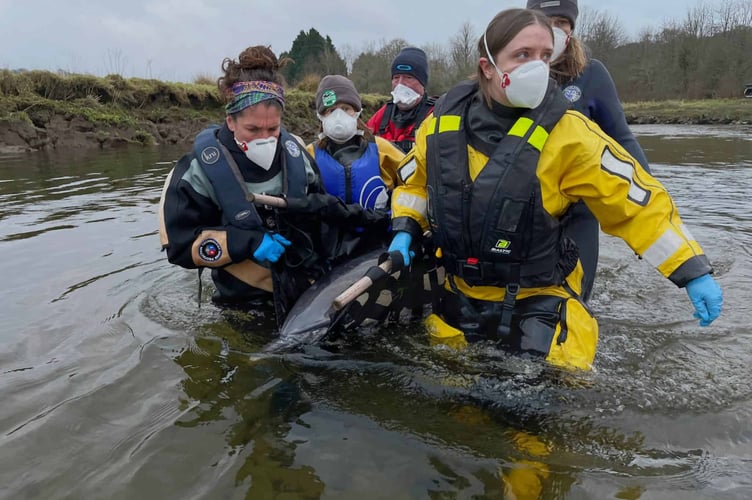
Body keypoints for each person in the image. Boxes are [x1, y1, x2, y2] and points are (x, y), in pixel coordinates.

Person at [387, 8, 723, 371]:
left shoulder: (570, 134)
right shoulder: (438, 126)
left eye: (545, 56)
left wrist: (692, 271)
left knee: (536, 418)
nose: (539, 67)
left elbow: (635, 202)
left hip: (537, 300)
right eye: (523, 55)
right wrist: (404, 228)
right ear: (488, 67)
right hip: (459, 297)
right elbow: (415, 183)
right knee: (460, 413)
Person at [158, 46, 368, 318]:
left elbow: (321, 218)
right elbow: (179, 246)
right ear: (231, 121)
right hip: (242, 304)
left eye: (273, 129)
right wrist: (245, 242)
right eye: (253, 129)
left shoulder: (298, 156)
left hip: (304, 295)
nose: (264, 138)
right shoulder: (196, 172)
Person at [525, 0, 652, 303]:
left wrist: (647, 202)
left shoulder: (592, 74)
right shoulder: (511, 71)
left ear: (571, 28)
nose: (554, 29)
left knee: (575, 301)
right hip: (523, 205)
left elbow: (622, 138)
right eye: (546, 20)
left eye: (562, 22)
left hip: (577, 208)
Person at [306, 74, 405, 260]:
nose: (338, 116)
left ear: (357, 112)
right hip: (329, 251)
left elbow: (413, 184)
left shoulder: (382, 149)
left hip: (379, 244)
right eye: (330, 110)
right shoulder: (309, 155)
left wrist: (394, 218)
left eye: (345, 108)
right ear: (320, 116)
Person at [366, 47, 436, 153]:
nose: (400, 84)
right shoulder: (384, 114)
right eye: (396, 78)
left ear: (422, 83)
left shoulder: (435, 114)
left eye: (408, 77)